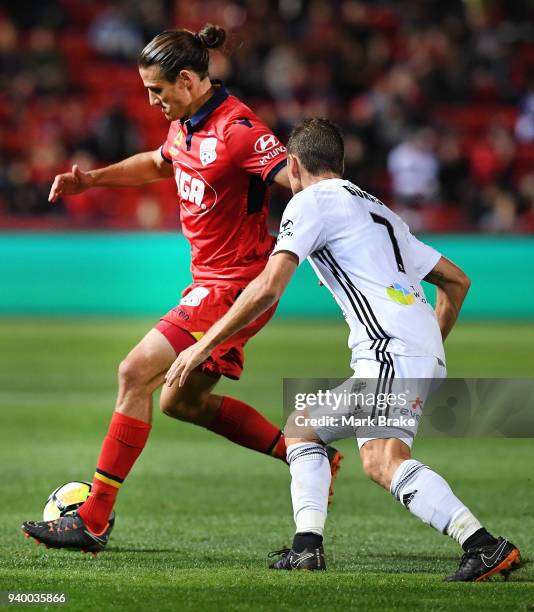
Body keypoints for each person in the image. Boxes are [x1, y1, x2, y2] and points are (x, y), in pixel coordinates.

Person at [21, 26, 342, 554]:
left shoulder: (239, 131)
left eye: (158, 90)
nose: (152, 101)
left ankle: (93, 518)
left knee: (133, 372)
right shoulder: (186, 124)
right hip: (208, 283)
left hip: (235, 285)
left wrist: (351, 224)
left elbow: (302, 179)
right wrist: (91, 179)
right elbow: (157, 163)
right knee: (180, 401)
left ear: (189, 80)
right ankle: (306, 455)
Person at [165, 118, 523, 582]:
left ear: (292, 165)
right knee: (303, 429)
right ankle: (307, 547)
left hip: (389, 351)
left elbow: (269, 287)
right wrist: (426, 347)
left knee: (382, 462)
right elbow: (457, 281)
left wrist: (201, 346)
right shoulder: (379, 210)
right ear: (340, 162)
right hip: (407, 351)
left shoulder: (309, 202)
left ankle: (483, 545)